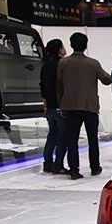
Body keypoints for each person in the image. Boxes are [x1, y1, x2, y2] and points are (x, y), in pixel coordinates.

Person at [57, 32, 112, 180]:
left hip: (70, 106)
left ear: (71, 44)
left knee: (72, 140)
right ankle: (95, 167)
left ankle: (74, 170)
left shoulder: (63, 63)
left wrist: (61, 104)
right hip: (90, 106)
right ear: (86, 45)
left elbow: (59, 85)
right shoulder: (93, 63)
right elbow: (106, 79)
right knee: (92, 139)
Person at [39, 38, 68, 174]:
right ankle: (59, 165)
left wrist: (45, 104)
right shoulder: (62, 65)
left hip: (50, 106)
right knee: (62, 137)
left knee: (52, 135)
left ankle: (48, 163)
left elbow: (43, 86)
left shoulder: (45, 66)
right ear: (59, 50)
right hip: (61, 106)